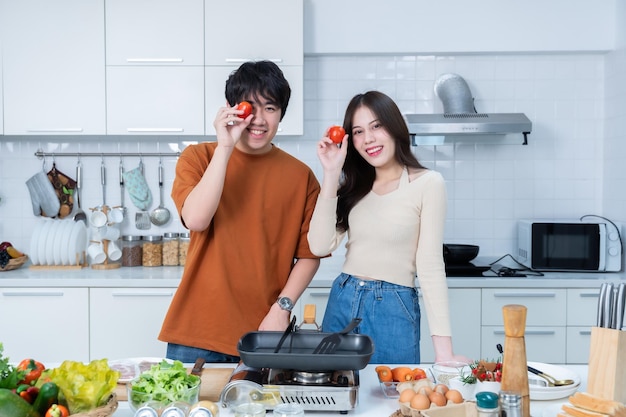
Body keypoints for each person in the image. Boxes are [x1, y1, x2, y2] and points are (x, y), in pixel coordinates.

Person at [159, 61, 322, 362]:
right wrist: (225, 147)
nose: (259, 120)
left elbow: (310, 254)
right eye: (251, 107)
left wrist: (281, 309)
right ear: (232, 108)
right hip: (195, 332)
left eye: (270, 108)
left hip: (263, 333)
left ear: (281, 114)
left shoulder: (301, 177)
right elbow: (197, 219)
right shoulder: (198, 157)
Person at [307, 90, 470, 364]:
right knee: (336, 392)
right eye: (358, 132)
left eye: (376, 126)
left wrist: (444, 352)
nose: (368, 139)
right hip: (343, 299)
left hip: (394, 305)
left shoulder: (428, 183)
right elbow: (319, 245)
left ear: (395, 127)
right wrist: (332, 173)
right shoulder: (352, 188)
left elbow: (430, 266)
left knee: (395, 396)